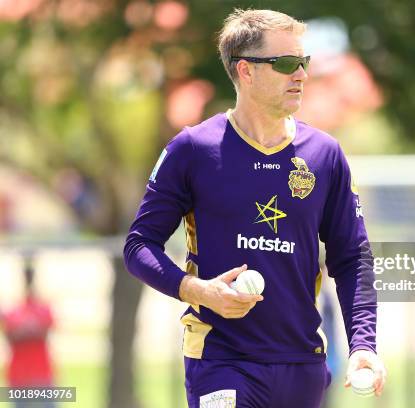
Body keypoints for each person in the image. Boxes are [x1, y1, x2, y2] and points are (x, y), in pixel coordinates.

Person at [124, 8, 386, 408]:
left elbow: (352, 258)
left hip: (301, 365)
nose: (300, 74)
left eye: (304, 62)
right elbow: (139, 246)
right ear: (245, 71)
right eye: (285, 64)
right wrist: (199, 291)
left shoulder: (325, 155)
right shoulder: (193, 149)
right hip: (219, 359)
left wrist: (363, 344)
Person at [1, 259, 55, 408]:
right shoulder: (14, 311)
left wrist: (22, 331)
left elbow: (43, 331)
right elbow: (10, 335)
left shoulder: (43, 309)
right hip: (19, 375)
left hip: (41, 373)